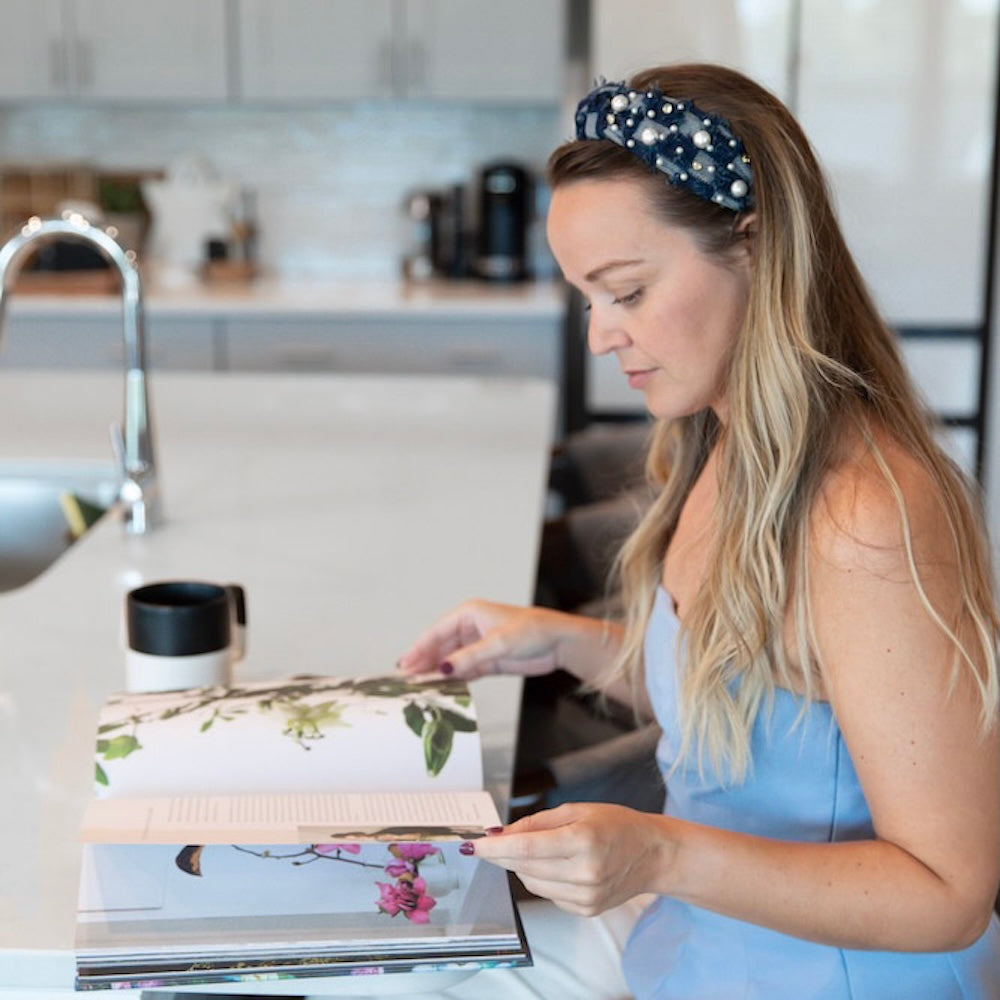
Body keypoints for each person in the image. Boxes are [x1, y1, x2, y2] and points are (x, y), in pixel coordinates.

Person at [398, 62, 1000, 998]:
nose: (600, 336)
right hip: (693, 942)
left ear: (754, 247)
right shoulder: (724, 441)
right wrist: (563, 642)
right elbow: (754, 706)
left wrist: (659, 854)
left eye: (627, 292)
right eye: (587, 298)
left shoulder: (866, 519)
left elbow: (949, 895)